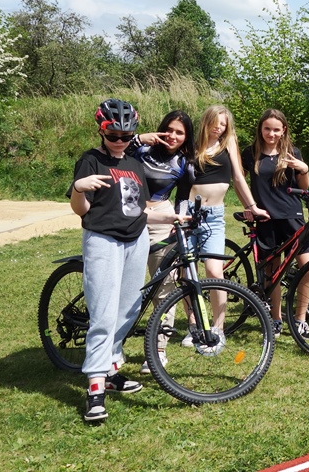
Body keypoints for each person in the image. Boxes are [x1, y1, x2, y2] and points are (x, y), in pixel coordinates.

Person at [69, 98, 187, 423]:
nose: (119, 141)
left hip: (136, 241)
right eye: (113, 135)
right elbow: (81, 210)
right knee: (104, 314)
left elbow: (140, 209)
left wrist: (172, 217)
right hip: (103, 240)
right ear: (101, 131)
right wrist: (78, 188)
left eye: (125, 136)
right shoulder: (90, 160)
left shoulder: (134, 164)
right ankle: (95, 388)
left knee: (128, 310)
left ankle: (111, 370)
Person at [184, 105, 268, 349]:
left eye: (223, 124)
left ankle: (218, 329)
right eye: (215, 122)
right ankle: (194, 325)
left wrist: (252, 206)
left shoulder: (228, 142)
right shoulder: (192, 145)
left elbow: (238, 177)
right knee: (186, 273)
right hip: (188, 215)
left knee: (214, 271)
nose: (219, 127)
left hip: (213, 216)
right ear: (206, 121)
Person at [126, 110, 195, 374]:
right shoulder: (140, 150)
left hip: (161, 220)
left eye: (180, 132)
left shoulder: (184, 163)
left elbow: (183, 199)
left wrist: (181, 225)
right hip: (129, 215)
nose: (173, 136)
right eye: (170, 130)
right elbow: (113, 153)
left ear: (187, 137)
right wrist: (138, 138)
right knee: (124, 284)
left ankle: (158, 351)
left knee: (164, 287)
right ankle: (113, 344)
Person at [241, 109, 309, 340]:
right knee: (271, 273)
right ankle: (275, 319)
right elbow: (239, 180)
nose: (271, 134)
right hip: (266, 218)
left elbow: (304, 187)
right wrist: (248, 205)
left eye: (276, 129)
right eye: (267, 129)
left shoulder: (292, 152)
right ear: (260, 129)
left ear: (283, 130)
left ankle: (300, 320)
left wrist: (304, 169)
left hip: (293, 217)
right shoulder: (250, 153)